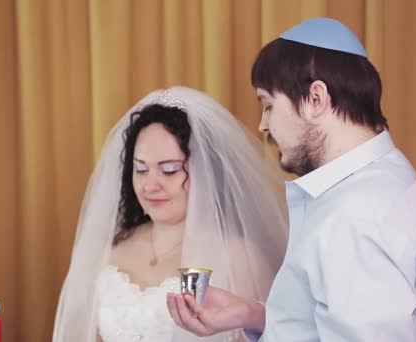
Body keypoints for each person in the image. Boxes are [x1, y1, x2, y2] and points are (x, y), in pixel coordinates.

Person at [167, 18, 416, 341]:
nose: (263, 125)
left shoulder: (354, 216)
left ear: (316, 99)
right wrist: (250, 314)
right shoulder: (379, 178)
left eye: (268, 105)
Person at [52, 86, 289, 341]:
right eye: (141, 169)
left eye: (169, 170)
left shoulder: (239, 258)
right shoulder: (113, 247)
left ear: (206, 173)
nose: (150, 185)